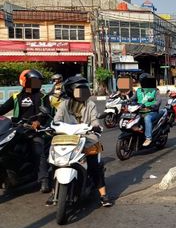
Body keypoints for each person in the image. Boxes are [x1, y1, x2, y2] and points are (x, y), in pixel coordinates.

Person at [51, 75, 112, 207]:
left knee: (93, 166)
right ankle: (54, 190)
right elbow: (57, 120)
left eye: (84, 89)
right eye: (79, 89)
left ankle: (103, 195)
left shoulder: (90, 104)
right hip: (67, 140)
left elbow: (94, 119)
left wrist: (95, 126)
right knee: (54, 162)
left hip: (88, 139)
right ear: (70, 91)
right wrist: (53, 126)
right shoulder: (64, 105)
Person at [0, 69, 52, 193]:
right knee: (6, 149)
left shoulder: (42, 96)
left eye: (38, 81)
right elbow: (2, 109)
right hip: (17, 129)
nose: (36, 83)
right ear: (24, 82)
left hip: (35, 130)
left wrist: (38, 121)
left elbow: (47, 112)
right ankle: (10, 175)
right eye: (33, 81)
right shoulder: (16, 97)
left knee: (38, 150)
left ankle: (44, 180)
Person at [133, 73, 164, 147]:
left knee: (147, 118)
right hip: (140, 111)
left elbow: (159, 101)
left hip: (152, 112)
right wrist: (126, 101)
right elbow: (133, 99)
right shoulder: (138, 91)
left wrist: (152, 105)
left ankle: (148, 138)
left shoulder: (155, 90)